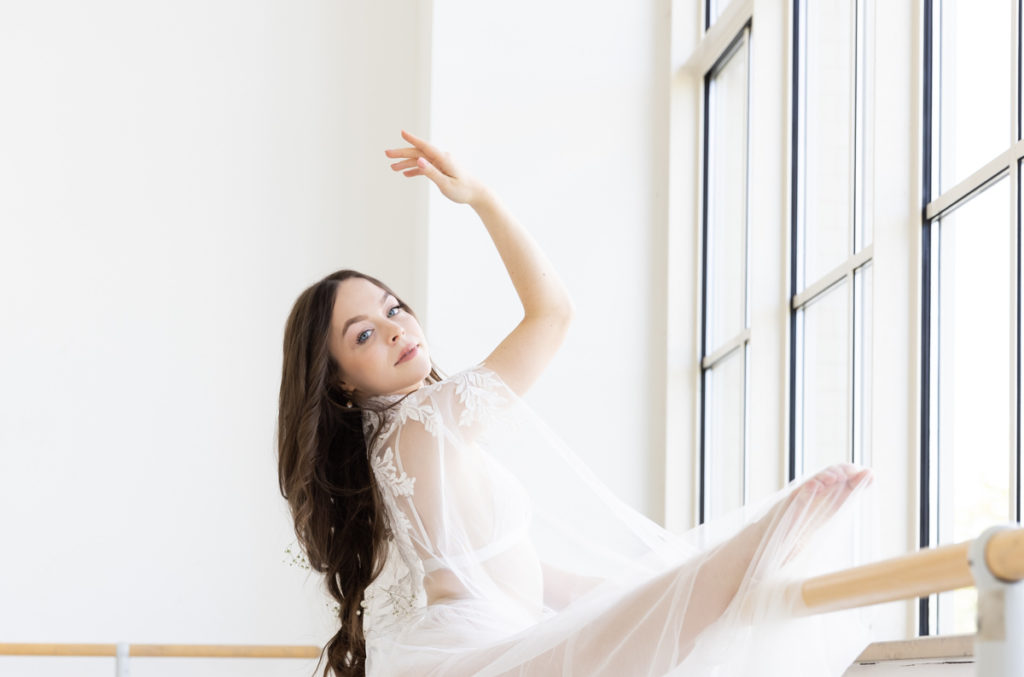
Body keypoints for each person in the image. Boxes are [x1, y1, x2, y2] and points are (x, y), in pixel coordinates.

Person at [277, 131, 874, 677]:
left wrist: (648, 588)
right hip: (484, 652)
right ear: (340, 384)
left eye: (393, 308)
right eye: (363, 335)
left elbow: (538, 580)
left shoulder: (401, 442)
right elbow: (553, 314)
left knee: (668, 602)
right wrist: (481, 197)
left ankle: (752, 553)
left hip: (485, 644)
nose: (394, 329)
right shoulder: (423, 420)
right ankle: (764, 542)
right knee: (691, 595)